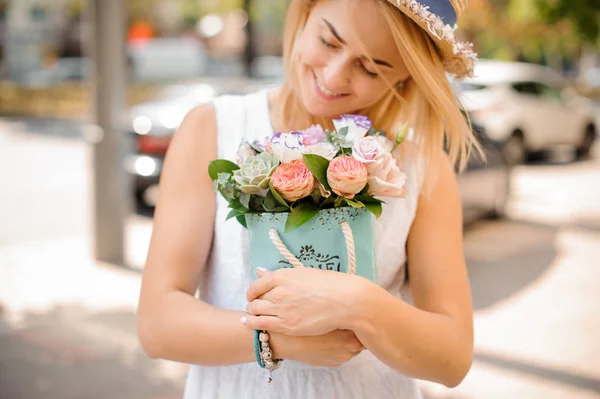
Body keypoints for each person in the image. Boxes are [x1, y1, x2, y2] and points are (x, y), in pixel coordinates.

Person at [137, 0, 479, 397]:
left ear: (404, 78)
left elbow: (452, 358)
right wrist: (280, 341)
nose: (334, 77)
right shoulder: (211, 129)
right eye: (328, 41)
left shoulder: (423, 167)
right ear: (305, 12)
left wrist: (361, 304)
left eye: (371, 68)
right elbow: (157, 323)